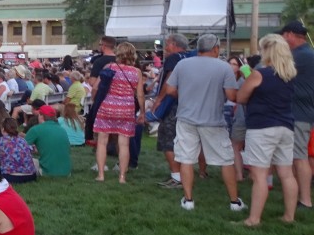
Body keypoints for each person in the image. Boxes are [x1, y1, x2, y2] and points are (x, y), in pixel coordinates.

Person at [165, 33, 243, 212]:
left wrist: (184, 96)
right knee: (226, 161)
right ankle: (234, 202)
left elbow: (170, 90)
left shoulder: (182, 64)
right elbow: (232, 96)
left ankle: (188, 200)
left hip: (185, 119)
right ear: (216, 48)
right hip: (213, 121)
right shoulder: (224, 68)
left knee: (186, 159)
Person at [235, 34, 299, 226]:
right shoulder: (290, 75)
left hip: (262, 127)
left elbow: (240, 97)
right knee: (286, 173)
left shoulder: (259, 74)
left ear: (267, 51)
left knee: (259, 175)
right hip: (286, 126)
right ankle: (289, 216)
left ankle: (254, 219)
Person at [93, 42, 145, 184]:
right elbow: (140, 95)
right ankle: (122, 177)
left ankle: (101, 174)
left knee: (102, 142)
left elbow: (96, 87)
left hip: (107, 106)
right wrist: (142, 112)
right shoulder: (136, 72)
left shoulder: (109, 67)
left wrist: (94, 101)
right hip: (127, 109)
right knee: (124, 144)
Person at [280, 20, 314, 210]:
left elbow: (276, 71)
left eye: (283, 36)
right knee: (296, 156)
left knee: (299, 157)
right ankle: (298, 196)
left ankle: (305, 200)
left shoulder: (300, 56)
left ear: (290, 35)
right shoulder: (307, 54)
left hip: (299, 114)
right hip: (303, 113)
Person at [151, 33, 190, 190]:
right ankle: (186, 174)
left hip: (172, 104)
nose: (165, 48)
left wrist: (159, 100)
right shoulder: (189, 58)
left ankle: (177, 176)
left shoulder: (174, 58)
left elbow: (169, 80)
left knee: (167, 139)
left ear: (174, 44)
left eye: (167, 44)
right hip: (186, 104)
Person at [25, 104, 72, 177]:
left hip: (46, 172)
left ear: (41, 116)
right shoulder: (62, 129)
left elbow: (20, 148)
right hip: (66, 172)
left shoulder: (36, 129)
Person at [0, 117, 37, 184]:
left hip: (9, 176)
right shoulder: (23, 140)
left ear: (3, 129)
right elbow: (33, 150)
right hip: (30, 176)